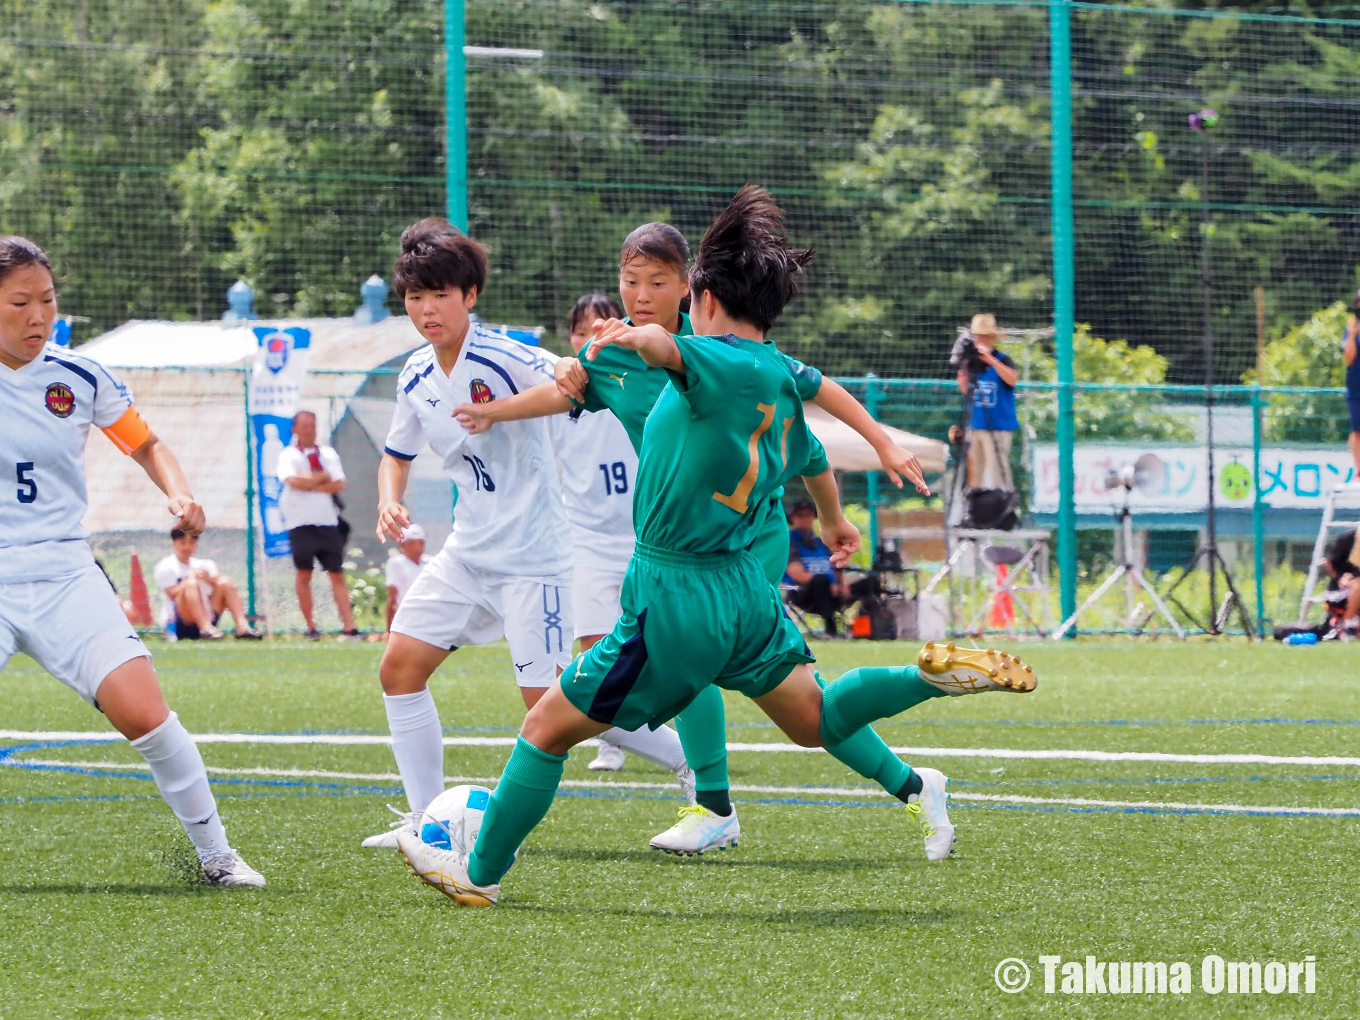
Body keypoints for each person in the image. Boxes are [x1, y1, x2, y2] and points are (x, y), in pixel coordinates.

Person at [406, 187, 1037, 907]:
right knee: (816, 720)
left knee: (545, 728)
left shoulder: (708, 360)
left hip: (677, 590)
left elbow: (664, 347)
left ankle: (478, 875)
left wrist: (626, 338)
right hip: (745, 590)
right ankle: (926, 678)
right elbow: (808, 435)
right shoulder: (772, 375)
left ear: (698, 297)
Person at [453, 220, 932, 856]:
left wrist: (845, 496)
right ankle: (911, 779)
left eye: (658, 281)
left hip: (737, 543)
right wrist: (502, 405)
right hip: (671, 547)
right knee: (797, 707)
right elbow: (566, 391)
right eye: (630, 281)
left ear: (690, 290)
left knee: (696, 660)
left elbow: (810, 440)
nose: (642, 293)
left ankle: (708, 802)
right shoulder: (619, 354)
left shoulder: (720, 354)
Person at [360, 219, 694, 850]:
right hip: (467, 553)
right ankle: (425, 820)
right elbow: (396, 452)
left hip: (534, 560)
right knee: (399, 669)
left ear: (470, 296)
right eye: (415, 297)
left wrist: (572, 368)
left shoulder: (504, 355)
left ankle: (687, 759)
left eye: (440, 295)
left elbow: (568, 373)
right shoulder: (413, 375)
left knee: (553, 707)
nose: (427, 310)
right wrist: (389, 500)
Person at [0, 235, 263, 886]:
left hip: (65, 575)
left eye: (48, 300)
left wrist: (179, 492)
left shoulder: (79, 377)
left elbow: (147, 446)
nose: (39, 316)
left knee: (145, 713)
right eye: (19, 303)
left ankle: (218, 858)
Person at [557, 292, 692, 778]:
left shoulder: (635, 381)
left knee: (665, 657)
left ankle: (688, 746)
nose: (588, 336)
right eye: (579, 329)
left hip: (647, 539)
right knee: (592, 660)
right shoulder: (566, 395)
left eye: (599, 325)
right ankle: (620, 745)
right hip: (587, 543)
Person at [276, 410, 358, 639]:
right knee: (304, 573)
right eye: (304, 426)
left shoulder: (328, 454)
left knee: (336, 573)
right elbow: (292, 481)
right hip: (299, 522)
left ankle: (349, 626)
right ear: (295, 429)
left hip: (327, 521)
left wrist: (313, 484)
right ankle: (311, 625)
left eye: (312, 425)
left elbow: (339, 482)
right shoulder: (288, 455)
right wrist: (321, 478)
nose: (310, 430)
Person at [783, 497, 880, 636]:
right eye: (800, 515)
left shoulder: (820, 541)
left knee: (871, 583)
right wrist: (830, 583)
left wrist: (841, 584)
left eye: (808, 515)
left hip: (833, 591)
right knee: (820, 581)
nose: (805, 519)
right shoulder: (789, 541)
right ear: (792, 518)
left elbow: (836, 566)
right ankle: (831, 628)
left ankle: (865, 628)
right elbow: (796, 573)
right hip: (804, 593)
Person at [153, 528, 261, 640]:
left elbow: (222, 586)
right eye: (183, 543)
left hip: (208, 613)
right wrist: (187, 581)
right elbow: (172, 595)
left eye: (191, 543)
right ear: (174, 543)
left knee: (226, 581)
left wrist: (209, 579)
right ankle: (205, 628)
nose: (187, 547)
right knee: (191, 583)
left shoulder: (205, 565)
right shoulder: (166, 566)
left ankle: (243, 627)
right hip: (181, 621)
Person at [953, 313, 1019, 491]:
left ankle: (1003, 507)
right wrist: (963, 379)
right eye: (978, 337)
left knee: (998, 472)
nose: (981, 340)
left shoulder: (1003, 359)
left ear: (992, 339)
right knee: (975, 474)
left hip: (998, 427)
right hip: (975, 425)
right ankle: (975, 508)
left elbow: (1012, 380)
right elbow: (968, 394)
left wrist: (990, 360)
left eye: (984, 337)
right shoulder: (971, 364)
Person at [383, 522, 430, 638]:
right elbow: (392, 597)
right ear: (402, 545)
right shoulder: (396, 563)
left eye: (420, 543)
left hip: (430, 617)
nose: (417, 548)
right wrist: (388, 630)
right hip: (406, 618)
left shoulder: (431, 563)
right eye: (412, 543)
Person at [1343, 290, 1360, 475]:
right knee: (1357, 430)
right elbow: (1349, 359)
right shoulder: (1350, 329)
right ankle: (1359, 471)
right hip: (1356, 387)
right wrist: (1351, 336)